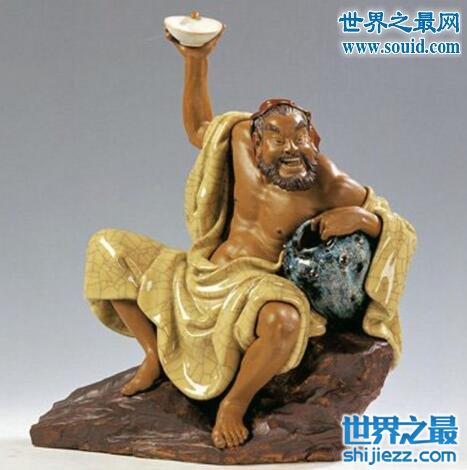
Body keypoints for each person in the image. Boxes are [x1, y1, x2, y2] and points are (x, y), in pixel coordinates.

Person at [84, 29, 416, 449]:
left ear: (314, 139)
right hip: (202, 273)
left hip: (260, 285)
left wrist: (364, 219)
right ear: (256, 142)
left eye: (300, 138)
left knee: (284, 322)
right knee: (107, 248)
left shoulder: (328, 182)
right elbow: (199, 128)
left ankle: (234, 405)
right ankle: (153, 355)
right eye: (278, 139)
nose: (291, 148)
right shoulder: (237, 139)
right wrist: (196, 59)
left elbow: (399, 228)